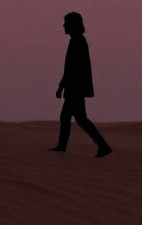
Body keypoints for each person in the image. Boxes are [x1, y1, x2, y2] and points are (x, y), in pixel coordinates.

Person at [48, 12, 113, 157]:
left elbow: (73, 68)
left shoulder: (78, 41)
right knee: (78, 118)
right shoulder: (77, 41)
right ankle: (101, 145)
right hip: (75, 87)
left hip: (75, 88)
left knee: (69, 117)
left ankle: (64, 146)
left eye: (66, 23)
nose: (64, 26)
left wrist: (62, 86)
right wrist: (62, 85)